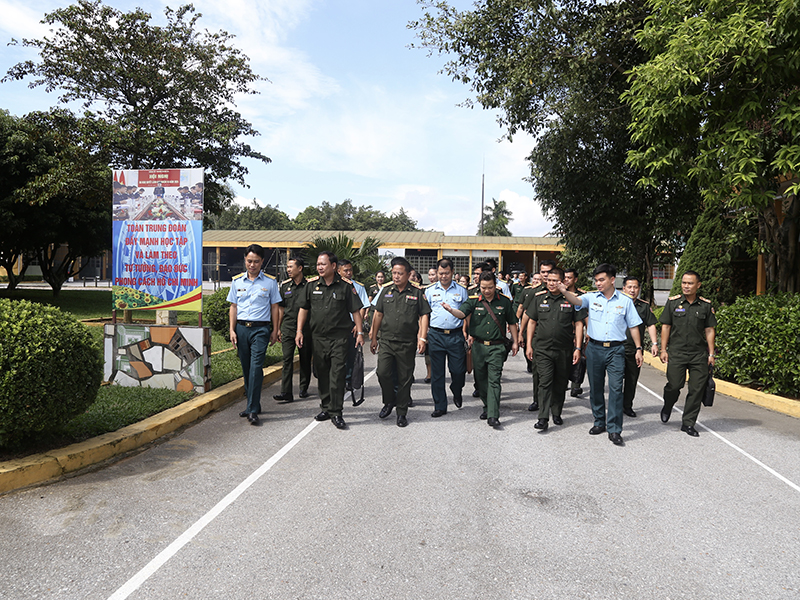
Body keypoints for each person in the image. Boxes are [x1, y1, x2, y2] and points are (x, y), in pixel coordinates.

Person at [558, 264, 643, 446]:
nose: (598, 283)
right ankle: (599, 422)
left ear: (612, 280)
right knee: (596, 388)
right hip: (595, 349)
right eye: (596, 280)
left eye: (601, 280)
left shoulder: (625, 301)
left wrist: (638, 349)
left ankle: (614, 429)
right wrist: (564, 291)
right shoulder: (591, 297)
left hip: (616, 350)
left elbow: (634, 326)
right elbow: (576, 301)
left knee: (615, 389)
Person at [295, 251, 364, 430]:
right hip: (318, 338)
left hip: (339, 338)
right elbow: (303, 309)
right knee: (322, 374)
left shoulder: (346, 286)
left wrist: (360, 332)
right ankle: (325, 407)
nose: (319, 267)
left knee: (337, 375)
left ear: (333, 266)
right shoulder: (311, 286)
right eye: (318, 264)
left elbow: (356, 310)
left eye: (323, 264)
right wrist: (299, 331)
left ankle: (337, 411)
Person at [442, 272, 519, 428]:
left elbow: (512, 322)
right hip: (478, 346)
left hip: (497, 347)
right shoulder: (473, 301)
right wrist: (451, 310)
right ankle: (486, 405)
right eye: (483, 287)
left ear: (495, 285)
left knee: (494, 380)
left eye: (490, 287)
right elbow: (462, 313)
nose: (487, 290)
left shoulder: (504, 301)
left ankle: (493, 414)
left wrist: (516, 341)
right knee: (481, 380)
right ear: (479, 286)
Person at [370, 257, 431, 427]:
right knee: (382, 372)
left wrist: (422, 337)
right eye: (394, 273)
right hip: (387, 341)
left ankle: (402, 412)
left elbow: (424, 315)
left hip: (407, 342)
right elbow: (378, 314)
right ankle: (389, 401)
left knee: (405, 379)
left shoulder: (417, 292)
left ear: (408, 274)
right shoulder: (386, 291)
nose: (396, 276)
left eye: (400, 273)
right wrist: (374, 337)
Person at [227, 244, 281, 426]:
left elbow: (275, 307)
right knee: (246, 367)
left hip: (261, 329)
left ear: (262, 262)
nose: (252, 265)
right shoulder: (237, 282)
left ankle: (251, 409)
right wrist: (232, 329)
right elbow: (233, 307)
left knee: (256, 367)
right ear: (245, 260)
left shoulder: (270, 282)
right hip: (242, 328)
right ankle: (254, 404)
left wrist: (275, 329)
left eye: (256, 261)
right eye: (249, 261)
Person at [526, 268, 585, 431]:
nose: (551, 283)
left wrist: (578, 348)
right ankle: (543, 418)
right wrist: (529, 344)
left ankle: (557, 412)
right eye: (549, 280)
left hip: (564, 349)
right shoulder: (539, 298)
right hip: (543, 349)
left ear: (563, 282)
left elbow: (579, 324)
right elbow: (532, 322)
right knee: (545, 382)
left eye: (555, 281)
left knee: (560, 382)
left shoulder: (572, 300)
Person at [659, 271, 717, 437]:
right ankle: (668, 404)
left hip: (698, 354)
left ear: (698, 285)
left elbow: (709, 330)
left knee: (696, 389)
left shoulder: (705, 306)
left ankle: (688, 423)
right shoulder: (673, 303)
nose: (686, 286)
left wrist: (711, 354)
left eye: (690, 283)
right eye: (684, 282)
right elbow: (666, 327)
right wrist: (664, 349)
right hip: (677, 353)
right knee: (674, 385)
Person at [424, 258, 469, 417]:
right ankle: (440, 405)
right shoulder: (429, 290)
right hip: (436, 335)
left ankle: (456, 390)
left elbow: (466, 313)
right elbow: (424, 315)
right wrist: (423, 336)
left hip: (456, 335)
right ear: (437, 273)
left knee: (458, 371)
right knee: (437, 373)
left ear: (452, 273)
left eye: (447, 273)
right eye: (441, 273)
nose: (443, 276)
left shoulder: (461, 290)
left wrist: (466, 332)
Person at [517, 260, 555, 411]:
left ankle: (553, 401)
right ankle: (537, 400)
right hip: (538, 337)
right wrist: (521, 333)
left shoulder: (563, 292)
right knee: (537, 371)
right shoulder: (534, 292)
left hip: (558, 338)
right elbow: (527, 314)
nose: (545, 275)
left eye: (548, 272)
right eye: (543, 272)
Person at [274, 257, 313, 403]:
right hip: (289, 328)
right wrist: (277, 328)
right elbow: (281, 309)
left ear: (300, 268)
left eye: (291, 267)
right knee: (287, 359)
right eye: (287, 267)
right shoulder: (285, 286)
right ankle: (286, 392)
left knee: (305, 359)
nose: (288, 270)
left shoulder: (309, 286)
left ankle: (303, 387)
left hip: (306, 329)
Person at [620, 276, 659, 417]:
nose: (632, 290)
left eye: (635, 287)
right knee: (616, 380)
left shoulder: (643, 306)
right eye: (629, 287)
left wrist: (654, 344)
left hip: (634, 350)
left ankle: (627, 406)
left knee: (631, 379)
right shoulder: (617, 303)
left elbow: (651, 325)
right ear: (623, 288)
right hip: (616, 349)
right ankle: (615, 406)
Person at [338, 259, 370, 392]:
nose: (349, 273)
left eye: (350, 270)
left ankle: (349, 379)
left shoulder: (358, 287)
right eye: (346, 270)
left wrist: (359, 325)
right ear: (338, 270)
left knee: (351, 353)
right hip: (338, 325)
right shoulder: (335, 286)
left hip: (352, 325)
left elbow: (362, 307)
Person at [564, 268, 587, 398]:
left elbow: (587, 316)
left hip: (578, 331)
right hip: (564, 332)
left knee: (578, 358)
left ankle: (575, 386)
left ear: (575, 280)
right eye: (565, 277)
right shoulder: (559, 293)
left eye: (570, 278)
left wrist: (588, 333)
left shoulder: (582, 296)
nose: (566, 280)